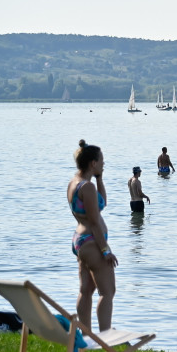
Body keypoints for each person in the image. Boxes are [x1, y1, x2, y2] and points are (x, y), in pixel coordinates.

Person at [67, 139, 116, 332]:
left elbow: (101, 204)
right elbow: (95, 221)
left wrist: (99, 178)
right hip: (92, 241)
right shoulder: (87, 188)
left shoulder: (75, 183)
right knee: (108, 291)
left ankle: (85, 335)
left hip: (80, 241)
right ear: (93, 163)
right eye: (101, 161)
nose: (103, 163)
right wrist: (106, 250)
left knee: (86, 290)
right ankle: (105, 337)